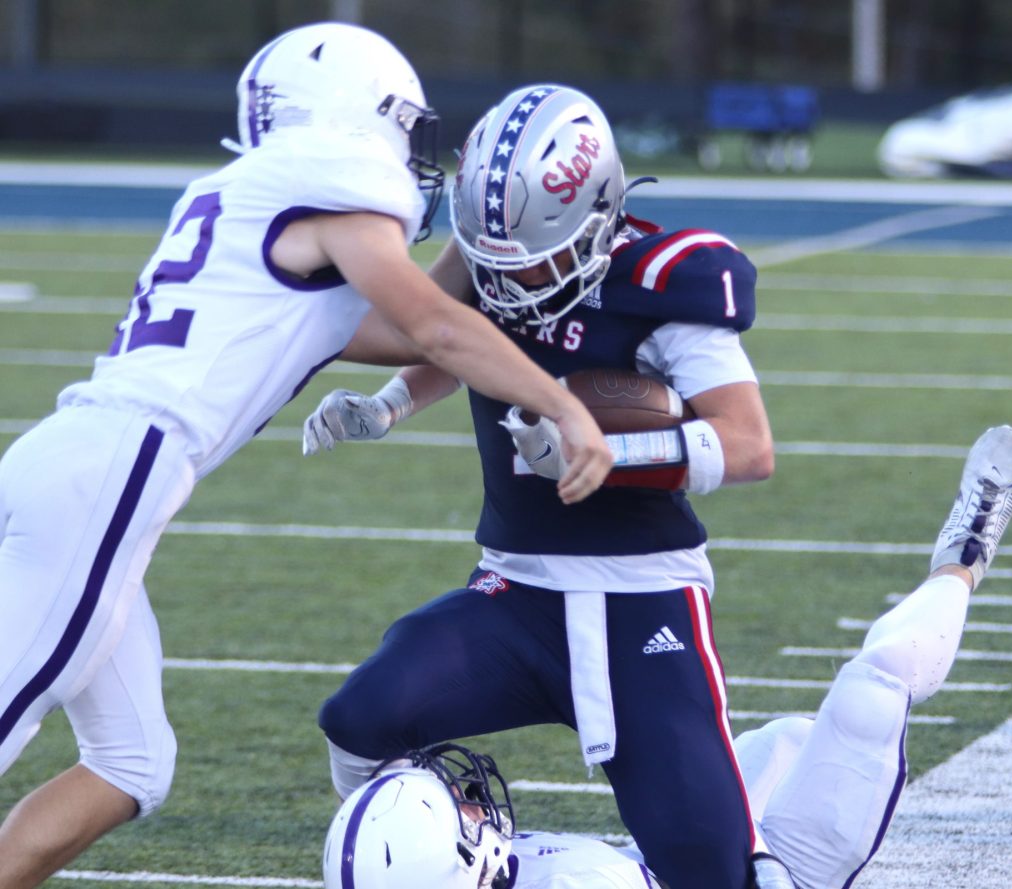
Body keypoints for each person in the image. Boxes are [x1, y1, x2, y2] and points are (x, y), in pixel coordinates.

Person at [0, 30, 613, 889]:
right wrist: (565, 404)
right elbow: (435, 327)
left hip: (85, 470)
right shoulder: (331, 178)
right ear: (360, 111)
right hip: (109, 477)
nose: (411, 150)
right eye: (405, 124)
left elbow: (401, 330)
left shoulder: (256, 202)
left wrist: (483, 242)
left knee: (131, 763)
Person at [305, 84, 775, 889]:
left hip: (643, 599)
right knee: (361, 719)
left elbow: (749, 444)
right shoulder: (493, 254)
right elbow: (450, 335)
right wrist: (389, 405)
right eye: (495, 262)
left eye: (535, 260)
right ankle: (446, 865)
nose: (513, 281)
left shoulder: (663, 281)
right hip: (516, 592)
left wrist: (606, 454)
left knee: (713, 870)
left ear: (597, 212)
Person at [322, 425, 1012, 889]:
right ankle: (965, 552)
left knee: (787, 742)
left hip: (657, 864)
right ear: (463, 857)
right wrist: (760, 860)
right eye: (460, 814)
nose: (470, 801)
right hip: (765, 876)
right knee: (872, 691)